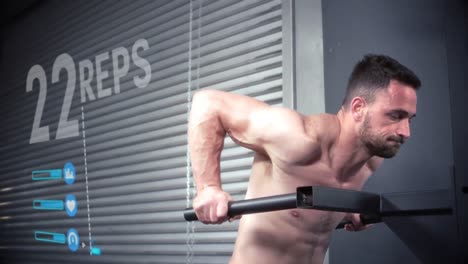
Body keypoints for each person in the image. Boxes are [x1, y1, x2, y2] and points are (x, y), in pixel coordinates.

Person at [188, 54, 421, 264]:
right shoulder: (297, 138)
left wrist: (347, 207)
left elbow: (319, 194)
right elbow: (207, 103)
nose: (405, 131)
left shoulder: (370, 160)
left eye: (410, 119)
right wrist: (208, 187)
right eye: (395, 116)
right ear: (359, 108)